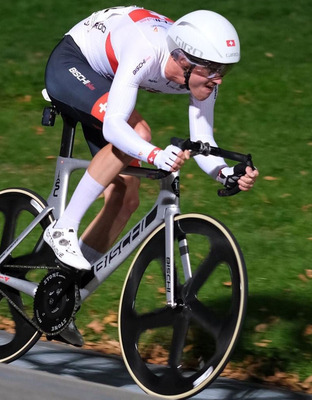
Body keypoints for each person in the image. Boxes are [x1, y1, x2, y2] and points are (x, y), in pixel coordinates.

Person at [43, 6, 259, 345]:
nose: (219, 79)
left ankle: (61, 296)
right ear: (184, 60)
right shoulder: (147, 50)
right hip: (74, 63)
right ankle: (63, 228)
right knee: (138, 134)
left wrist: (227, 173)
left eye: (225, 71)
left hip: (108, 80)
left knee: (125, 198)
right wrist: (155, 154)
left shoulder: (200, 76)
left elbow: (203, 141)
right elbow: (116, 125)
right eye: (213, 70)